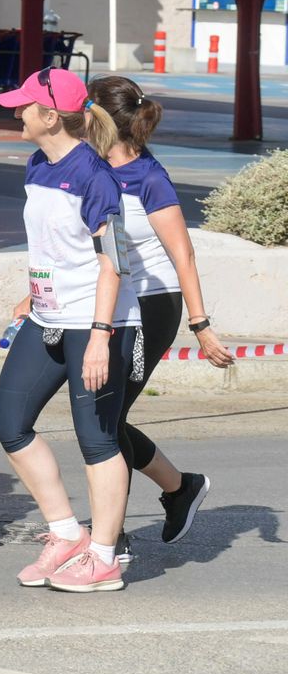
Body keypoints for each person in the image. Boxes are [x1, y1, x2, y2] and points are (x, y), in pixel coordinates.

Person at [0, 68, 141, 592]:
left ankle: (103, 557)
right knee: (9, 421)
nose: (17, 113)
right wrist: (33, 291)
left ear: (50, 116)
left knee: (97, 439)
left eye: (25, 106)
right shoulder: (37, 164)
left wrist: (101, 336)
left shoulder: (95, 175)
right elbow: (53, 244)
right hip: (47, 315)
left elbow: (114, 261)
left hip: (96, 320)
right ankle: (66, 534)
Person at [89, 75, 230, 545]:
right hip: (107, 301)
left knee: (104, 420)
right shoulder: (91, 164)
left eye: (87, 105)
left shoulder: (148, 177)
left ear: (102, 116)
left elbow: (182, 254)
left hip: (152, 307)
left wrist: (201, 324)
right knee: (103, 417)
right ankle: (179, 487)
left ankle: (114, 536)